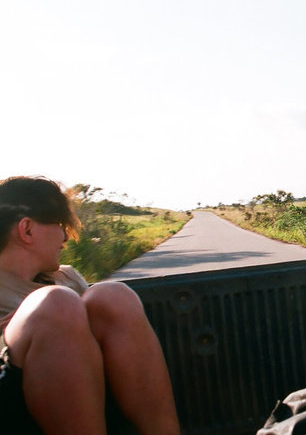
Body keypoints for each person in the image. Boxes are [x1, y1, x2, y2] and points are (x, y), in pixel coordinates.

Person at [0, 176, 180, 434]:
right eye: (60, 224)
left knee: (112, 294)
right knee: (57, 303)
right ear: (27, 229)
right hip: (12, 407)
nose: (65, 236)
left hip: (83, 397)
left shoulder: (66, 278)